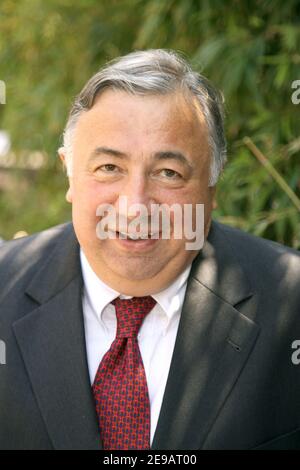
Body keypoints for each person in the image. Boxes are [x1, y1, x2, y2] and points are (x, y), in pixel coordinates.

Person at [0, 49, 299, 450]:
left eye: (168, 173)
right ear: (69, 171)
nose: (135, 205)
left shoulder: (291, 306)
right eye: (109, 167)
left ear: (212, 190)